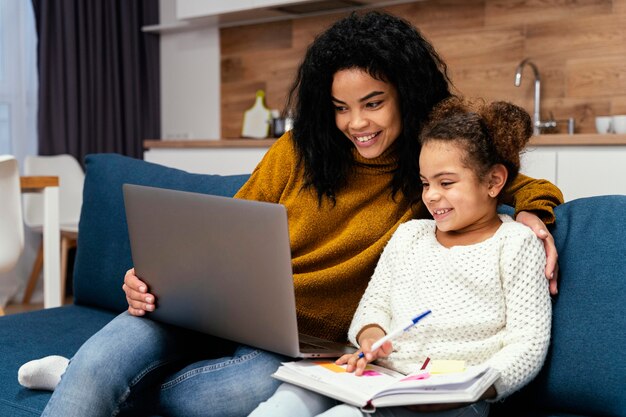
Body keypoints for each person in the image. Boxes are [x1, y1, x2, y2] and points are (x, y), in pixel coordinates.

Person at [18, 11, 562, 417]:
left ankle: (81, 383)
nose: (356, 123)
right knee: (98, 366)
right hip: (210, 310)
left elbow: (508, 178)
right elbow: (219, 236)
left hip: (301, 343)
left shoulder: (427, 169)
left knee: (214, 401)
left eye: (373, 102)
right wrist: (149, 280)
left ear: (407, 94)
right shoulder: (299, 149)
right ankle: (83, 379)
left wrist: (534, 213)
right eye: (340, 107)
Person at [248, 97, 552, 417]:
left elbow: (527, 346)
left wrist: (471, 387)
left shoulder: (515, 243)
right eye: (425, 183)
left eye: (446, 183)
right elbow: (374, 306)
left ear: (493, 182)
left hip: (455, 397)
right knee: (289, 398)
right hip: (384, 378)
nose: (432, 195)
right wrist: (371, 338)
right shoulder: (410, 236)